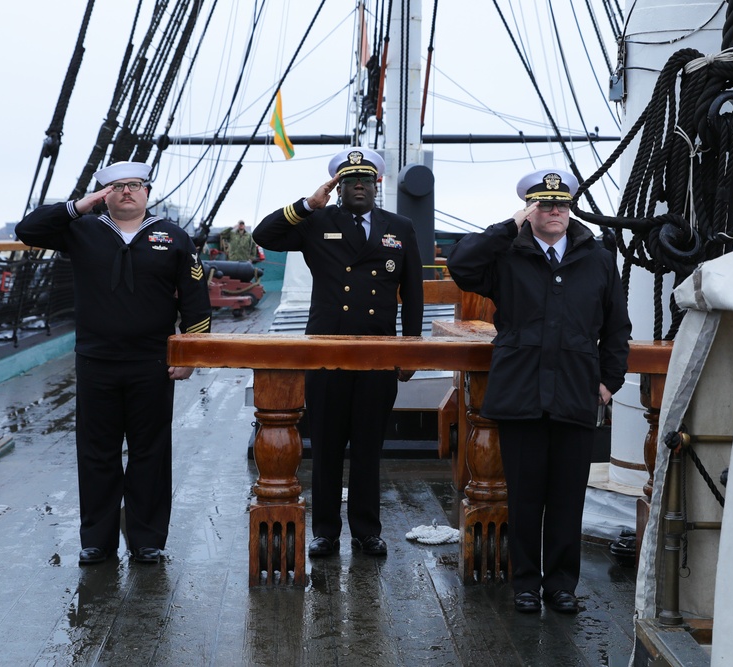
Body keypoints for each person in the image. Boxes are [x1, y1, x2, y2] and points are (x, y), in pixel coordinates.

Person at [446, 168, 631, 614]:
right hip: (522, 393)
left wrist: (608, 384)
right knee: (525, 498)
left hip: (576, 393)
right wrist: (508, 226)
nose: (554, 212)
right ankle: (526, 584)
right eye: (544, 205)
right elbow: (461, 264)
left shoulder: (598, 258)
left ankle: (562, 586)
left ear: (571, 210)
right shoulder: (508, 254)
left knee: (568, 498)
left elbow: (617, 327)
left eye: (561, 205)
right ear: (529, 210)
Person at [15, 161, 212, 566]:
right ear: (104, 194)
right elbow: (28, 230)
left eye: (135, 185)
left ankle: (146, 539)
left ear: (146, 191)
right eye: (116, 187)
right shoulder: (82, 231)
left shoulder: (172, 237)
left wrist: (191, 354)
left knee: (150, 452)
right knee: (96, 452)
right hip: (96, 360)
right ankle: (97, 541)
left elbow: (195, 299)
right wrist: (78, 206)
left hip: (153, 361)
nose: (127, 192)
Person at [253, 147, 424, 559]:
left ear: (377, 184)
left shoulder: (399, 227)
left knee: (368, 446)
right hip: (327, 349)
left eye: (365, 180)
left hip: (377, 352)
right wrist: (307, 205)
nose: (359, 186)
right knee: (326, 446)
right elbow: (265, 235)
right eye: (350, 181)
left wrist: (410, 351)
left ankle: (367, 531)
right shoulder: (318, 222)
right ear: (339, 187)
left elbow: (413, 293)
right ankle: (326, 532)